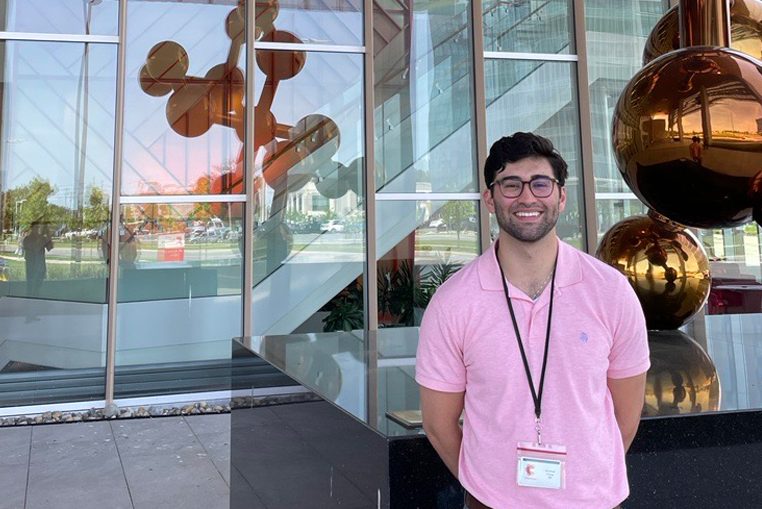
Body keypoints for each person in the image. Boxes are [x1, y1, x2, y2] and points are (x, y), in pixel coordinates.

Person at [416, 132, 650, 509]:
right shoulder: (454, 302)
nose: (527, 197)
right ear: (490, 199)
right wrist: (489, 488)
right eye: (511, 185)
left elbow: (627, 414)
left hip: (593, 501)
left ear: (561, 196)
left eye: (541, 184)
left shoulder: (611, 292)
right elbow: (438, 424)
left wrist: (585, 481)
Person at [22, 221, 54, 297]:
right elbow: (36, 248)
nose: (38, 229)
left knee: (39, 283)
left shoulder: (42, 238)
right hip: (31, 264)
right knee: (30, 283)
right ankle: (30, 296)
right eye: (36, 227)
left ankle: (37, 294)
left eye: (39, 227)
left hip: (40, 264)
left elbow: (50, 247)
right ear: (31, 228)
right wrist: (42, 238)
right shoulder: (27, 239)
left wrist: (48, 233)